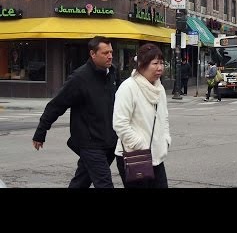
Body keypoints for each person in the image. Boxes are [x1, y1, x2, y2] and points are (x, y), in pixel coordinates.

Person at [32, 36, 118, 188]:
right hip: (90, 143)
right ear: (93, 54)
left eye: (111, 52)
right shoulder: (79, 78)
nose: (110, 56)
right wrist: (41, 131)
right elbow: (56, 105)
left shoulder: (112, 74)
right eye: (105, 53)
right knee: (104, 184)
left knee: (81, 181)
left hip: (110, 142)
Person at [113, 43, 171, 188]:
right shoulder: (128, 87)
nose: (160, 68)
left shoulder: (159, 88)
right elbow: (120, 124)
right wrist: (141, 145)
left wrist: (166, 139)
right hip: (134, 156)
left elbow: (164, 118)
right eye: (155, 63)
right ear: (141, 65)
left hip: (156, 157)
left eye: (162, 63)